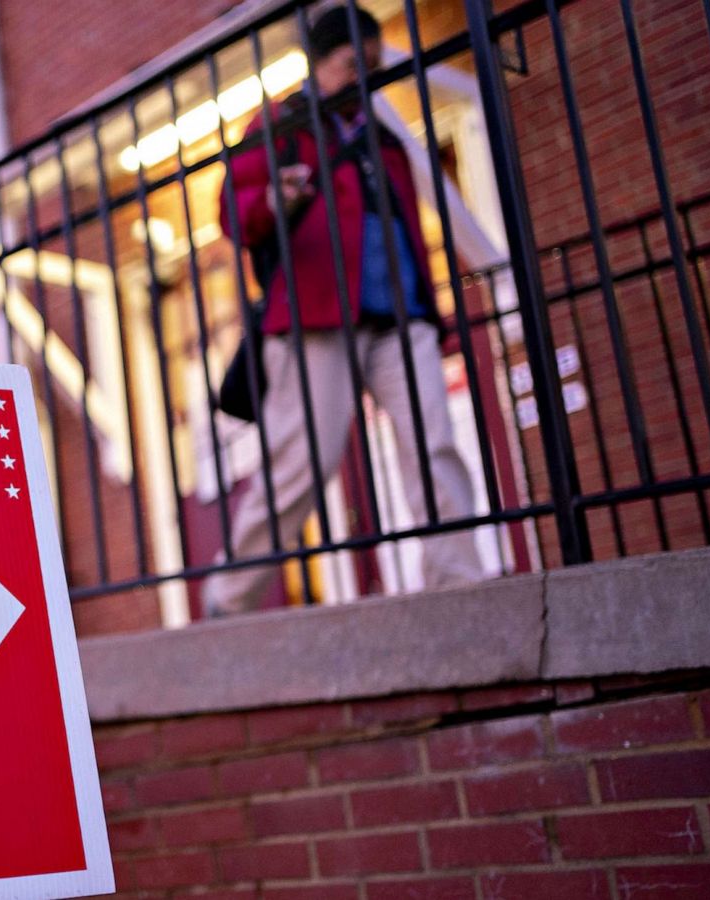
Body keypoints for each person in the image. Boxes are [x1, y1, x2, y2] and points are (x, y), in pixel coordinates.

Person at [201, 4, 484, 617]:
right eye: (352, 63)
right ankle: (230, 595)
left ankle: (458, 583)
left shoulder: (383, 132)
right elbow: (234, 209)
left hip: (399, 314)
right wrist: (276, 198)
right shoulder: (282, 122)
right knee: (300, 465)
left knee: (434, 443)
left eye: (372, 66)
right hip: (314, 318)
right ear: (319, 62)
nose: (363, 76)